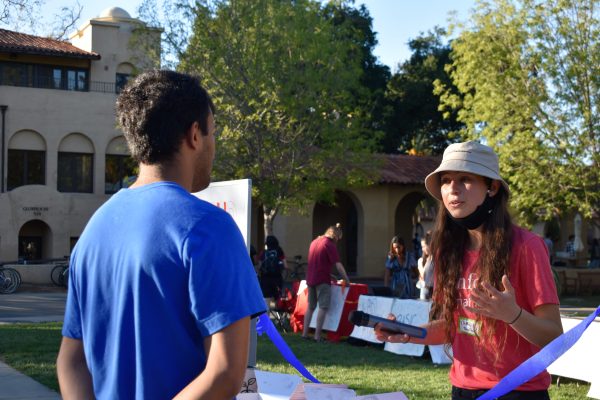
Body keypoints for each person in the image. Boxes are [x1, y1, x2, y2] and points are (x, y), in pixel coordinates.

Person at [56, 70, 266, 400]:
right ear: (195, 134)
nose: (214, 145)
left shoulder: (94, 229)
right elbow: (225, 372)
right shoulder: (210, 228)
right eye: (213, 131)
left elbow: (71, 362)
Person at [375, 141, 562, 400]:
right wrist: (407, 334)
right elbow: (451, 327)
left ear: (492, 188)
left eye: (465, 179)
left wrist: (512, 314)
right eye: (446, 180)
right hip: (463, 390)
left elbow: (553, 336)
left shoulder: (527, 246)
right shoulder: (447, 250)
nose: (453, 189)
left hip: (519, 392)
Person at [302, 223, 351, 342]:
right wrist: (347, 279)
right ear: (335, 236)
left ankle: (304, 334)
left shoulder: (314, 242)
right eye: (338, 239)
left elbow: (317, 262)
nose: (337, 242)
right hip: (322, 280)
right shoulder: (329, 244)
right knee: (323, 307)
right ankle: (317, 336)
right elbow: (338, 265)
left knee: (311, 306)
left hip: (310, 278)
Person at [257, 235, 289, 300]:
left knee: (267, 297)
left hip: (265, 278)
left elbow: (259, 266)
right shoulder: (279, 251)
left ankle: (268, 309)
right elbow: (286, 266)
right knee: (277, 297)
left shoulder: (263, 252)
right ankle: (276, 309)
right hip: (277, 278)